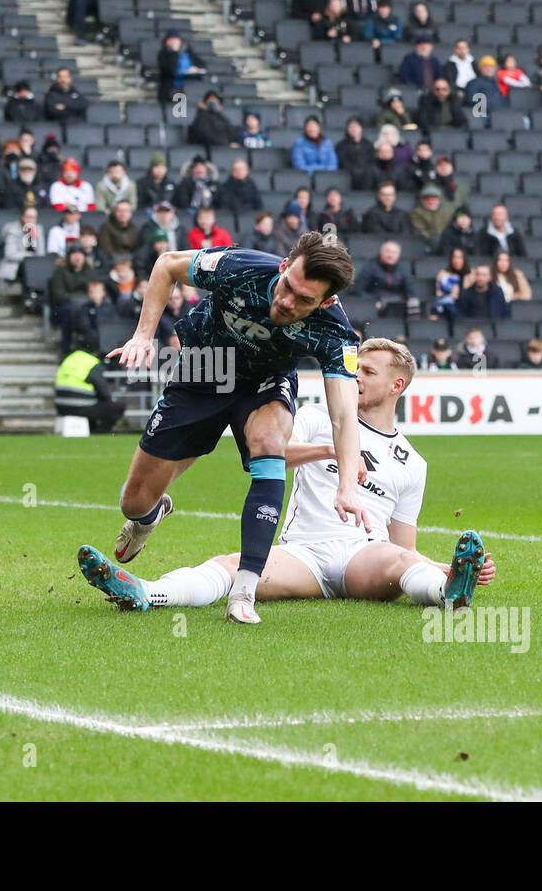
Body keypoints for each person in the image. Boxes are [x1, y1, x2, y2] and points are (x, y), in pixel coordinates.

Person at [76, 339, 493, 613]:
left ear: (397, 384)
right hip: (304, 555)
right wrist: (333, 449)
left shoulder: (412, 463)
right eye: (355, 369)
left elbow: (404, 548)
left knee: (400, 561)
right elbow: (268, 454)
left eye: (368, 372)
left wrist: (444, 567)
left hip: (364, 555)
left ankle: (449, 594)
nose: (355, 377)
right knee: (232, 566)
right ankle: (145, 593)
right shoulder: (316, 418)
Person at [105, 234, 366, 625]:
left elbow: (344, 417)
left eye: (304, 301)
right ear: (284, 266)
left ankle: (244, 589)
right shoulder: (239, 268)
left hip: (265, 382)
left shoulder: (335, 333)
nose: (287, 302)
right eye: (288, 287)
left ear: (325, 302)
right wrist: (143, 335)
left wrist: (346, 485)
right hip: (205, 368)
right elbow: (167, 264)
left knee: (268, 440)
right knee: (134, 501)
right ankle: (149, 517)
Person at [54, 348, 126, 434]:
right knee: (118, 406)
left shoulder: (69, 359)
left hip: (61, 408)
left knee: (92, 404)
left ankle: (91, 430)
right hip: (81, 408)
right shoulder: (91, 362)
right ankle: (100, 433)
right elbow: (104, 392)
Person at [156, 30, 206, 105]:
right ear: (167, 42)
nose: (175, 42)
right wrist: (174, 52)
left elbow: (202, 65)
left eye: (176, 40)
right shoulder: (163, 55)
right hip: (171, 89)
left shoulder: (187, 52)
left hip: (191, 88)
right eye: (172, 40)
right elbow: (173, 71)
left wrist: (196, 68)